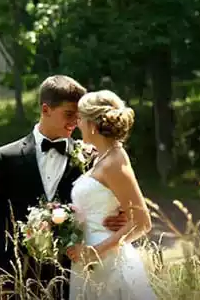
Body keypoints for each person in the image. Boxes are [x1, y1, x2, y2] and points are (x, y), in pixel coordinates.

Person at [0, 76, 129, 299]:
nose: (75, 122)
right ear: (46, 109)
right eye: (69, 114)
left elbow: (123, 199)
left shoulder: (90, 157)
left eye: (79, 116)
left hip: (77, 274)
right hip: (21, 274)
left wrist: (122, 216)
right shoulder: (5, 157)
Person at [66, 90, 157, 300]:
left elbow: (142, 222)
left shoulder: (115, 159)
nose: (77, 123)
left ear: (93, 125)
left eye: (81, 118)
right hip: (89, 264)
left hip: (109, 263)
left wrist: (94, 252)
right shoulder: (100, 157)